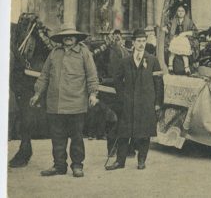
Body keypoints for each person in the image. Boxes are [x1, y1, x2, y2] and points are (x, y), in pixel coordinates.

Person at [30, 23, 99, 177]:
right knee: (57, 137)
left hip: (77, 103)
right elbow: (45, 75)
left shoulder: (84, 53)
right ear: (61, 38)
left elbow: (92, 75)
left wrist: (93, 94)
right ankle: (59, 166)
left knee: (76, 136)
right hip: (55, 104)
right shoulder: (54, 53)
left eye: (71, 35)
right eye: (65, 36)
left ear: (76, 37)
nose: (68, 38)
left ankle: (77, 165)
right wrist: (37, 93)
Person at [106, 29, 163, 171]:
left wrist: (157, 103)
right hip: (129, 102)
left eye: (144, 41)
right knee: (124, 133)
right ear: (133, 43)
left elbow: (159, 84)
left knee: (144, 133)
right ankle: (120, 161)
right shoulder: (125, 61)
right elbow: (117, 79)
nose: (141, 44)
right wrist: (122, 95)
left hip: (146, 102)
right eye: (139, 41)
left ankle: (141, 160)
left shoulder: (152, 60)